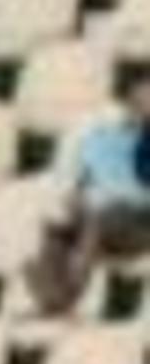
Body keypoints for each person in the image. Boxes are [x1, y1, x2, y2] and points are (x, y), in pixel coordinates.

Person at [31, 68, 150, 315]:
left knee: (98, 219)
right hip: (95, 216)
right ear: (129, 98)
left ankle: (62, 298)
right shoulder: (99, 131)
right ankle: (50, 295)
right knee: (56, 227)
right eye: (140, 100)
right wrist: (73, 199)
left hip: (139, 224)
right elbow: (73, 175)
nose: (144, 108)